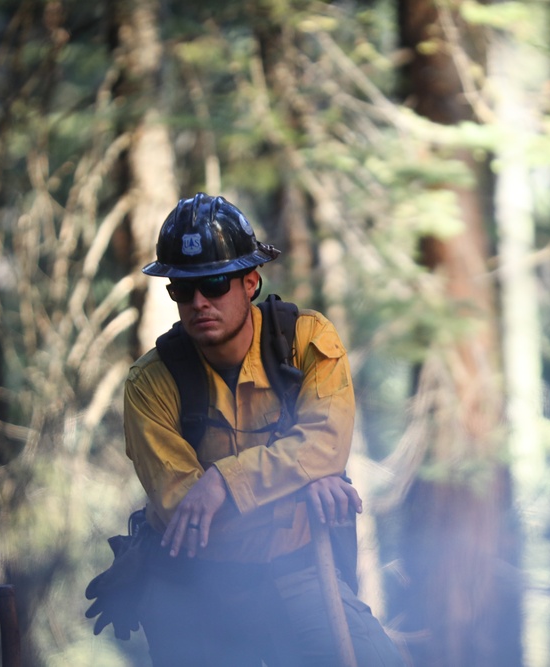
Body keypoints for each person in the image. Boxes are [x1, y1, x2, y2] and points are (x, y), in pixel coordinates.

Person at [114, 193, 402, 666]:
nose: (199, 302)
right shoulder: (150, 383)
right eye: (183, 289)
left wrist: (223, 482)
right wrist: (303, 481)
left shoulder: (306, 341)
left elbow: (326, 445)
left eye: (213, 283)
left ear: (251, 282)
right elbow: (190, 518)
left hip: (295, 571)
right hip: (194, 587)